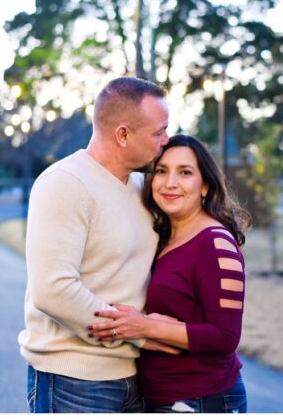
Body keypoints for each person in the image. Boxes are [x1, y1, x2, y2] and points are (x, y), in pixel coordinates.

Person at [19, 76, 170, 413]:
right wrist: (143, 334)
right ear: (123, 134)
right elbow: (53, 289)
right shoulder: (65, 183)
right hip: (75, 381)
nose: (166, 139)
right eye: (158, 132)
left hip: (137, 377)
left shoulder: (144, 186)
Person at [88, 134, 250, 413]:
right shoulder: (163, 237)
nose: (170, 182)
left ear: (205, 186)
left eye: (185, 172)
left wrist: (145, 326)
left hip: (200, 398)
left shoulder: (215, 243)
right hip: (161, 397)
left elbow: (225, 337)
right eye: (161, 171)